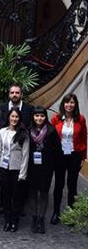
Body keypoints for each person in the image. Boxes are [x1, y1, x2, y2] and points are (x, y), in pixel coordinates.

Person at [50, 93, 87, 224]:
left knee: (72, 185)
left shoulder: (81, 119)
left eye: (72, 102)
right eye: (67, 102)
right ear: (63, 104)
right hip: (59, 156)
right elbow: (51, 137)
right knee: (58, 184)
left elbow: (84, 138)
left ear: (75, 104)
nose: (69, 105)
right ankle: (56, 212)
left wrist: (84, 156)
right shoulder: (56, 119)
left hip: (75, 155)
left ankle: (72, 214)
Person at [28, 106, 62, 234]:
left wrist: (54, 167)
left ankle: (41, 219)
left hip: (46, 168)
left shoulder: (51, 131)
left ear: (45, 117)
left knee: (43, 193)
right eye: (36, 116)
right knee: (32, 192)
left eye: (41, 116)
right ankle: (34, 217)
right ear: (33, 117)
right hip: (31, 166)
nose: (39, 118)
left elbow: (57, 151)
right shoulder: (28, 130)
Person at [0, 108, 29, 232]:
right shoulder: (2, 132)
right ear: (8, 117)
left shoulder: (23, 133)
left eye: (16, 117)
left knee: (16, 196)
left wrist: (23, 173)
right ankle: (7, 220)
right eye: (12, 116)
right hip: (4, 167)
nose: (14, 119)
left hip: (17, 168)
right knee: (6, 195)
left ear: (19, 119)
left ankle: (15, 221)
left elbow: (25, 155)